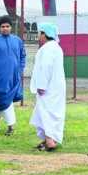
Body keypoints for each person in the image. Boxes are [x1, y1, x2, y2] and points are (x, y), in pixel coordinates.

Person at [0, 15, 26, 136]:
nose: (5, 28)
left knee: (3, 101)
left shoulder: (17, 41)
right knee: (4, 99)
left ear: (11, 27)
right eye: (3, 26)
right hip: (0, 78)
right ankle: (11, 127)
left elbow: (23, 56)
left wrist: (20, 69)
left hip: (14, 76)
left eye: (7, 26)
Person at [29, 22, 66, 151]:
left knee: (46, 112)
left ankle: (50, 142)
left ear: (45, 34)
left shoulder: (48, 48)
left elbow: (46, 68)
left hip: (48, 88)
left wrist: (42, 85)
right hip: (56, 87)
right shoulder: (55, 47)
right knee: (51, 112)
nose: (39, 36)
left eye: (40, 33)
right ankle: (48, 139)